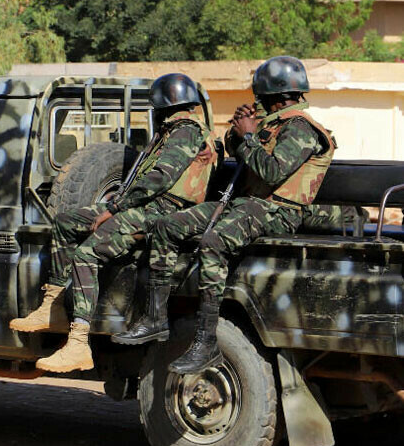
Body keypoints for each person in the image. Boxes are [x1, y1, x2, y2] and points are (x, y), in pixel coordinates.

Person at [10, 74, 218, 374]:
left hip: (162, 210)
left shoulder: (186, 131)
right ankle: (52, 306)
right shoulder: (171, 131)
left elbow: (161, 178)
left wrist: (116, 208)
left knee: (86, 254)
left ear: (163, 106)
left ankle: (79, 343)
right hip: (146, 205)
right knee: (67, 222)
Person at [143, 56, 334, 374]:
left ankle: (206, 343)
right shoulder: (274, 125)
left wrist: (248, 136)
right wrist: (238, 132)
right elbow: (239, 154)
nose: (256, 102)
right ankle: (155, 318)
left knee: (213, 242)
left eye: (259, 97)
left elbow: (271, 172)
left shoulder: (301, 128)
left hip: (279, 211)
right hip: (246, 204)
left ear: (272, 95)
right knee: (167, 226)